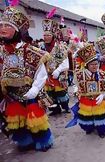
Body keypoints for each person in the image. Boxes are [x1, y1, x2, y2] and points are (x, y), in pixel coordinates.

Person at [0, 6, 53, 151]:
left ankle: (43, 142)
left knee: (37, 122)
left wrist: (35, 89)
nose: (2, 28)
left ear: (17, 30)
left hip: (30, 94)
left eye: (7, 26)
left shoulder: (30, 51)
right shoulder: (1, 51)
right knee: (19, 122)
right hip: (12, 96)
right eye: (1, 25)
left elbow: (41, 73)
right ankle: (25, 142)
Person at [74, 44, 105, 138]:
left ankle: (101, 130)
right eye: (92, 64)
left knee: (100, 116)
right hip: (85, 99)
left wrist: (102, 94)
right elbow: (76, 85)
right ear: (87, 65)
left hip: (98, 98)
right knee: (87, 117)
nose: (95, 66)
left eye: (96, 64)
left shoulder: (102, 74)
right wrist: (77, 92)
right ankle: (89, 128)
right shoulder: (79, 75)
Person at [41, 17, 70, 115]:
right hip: (46, 75)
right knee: (50, 94)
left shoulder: (59, 47)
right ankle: (55, 110)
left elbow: (65, 61)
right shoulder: (41, 47)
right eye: (44, 35)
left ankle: (65, 107)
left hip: (58, 74)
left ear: (53, 35)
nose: (46, 37)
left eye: (48, 35)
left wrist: (58, 70)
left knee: (61, 93)